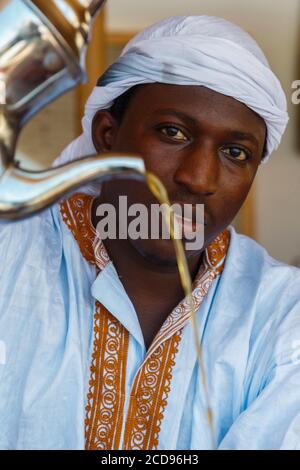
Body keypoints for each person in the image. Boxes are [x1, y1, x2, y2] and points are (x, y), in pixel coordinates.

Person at [0, 15, 299, 450]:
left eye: (236, 152)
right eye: (172, 132)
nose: (198, 178)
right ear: (107, 135)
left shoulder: (282, 314)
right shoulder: (11, 251)